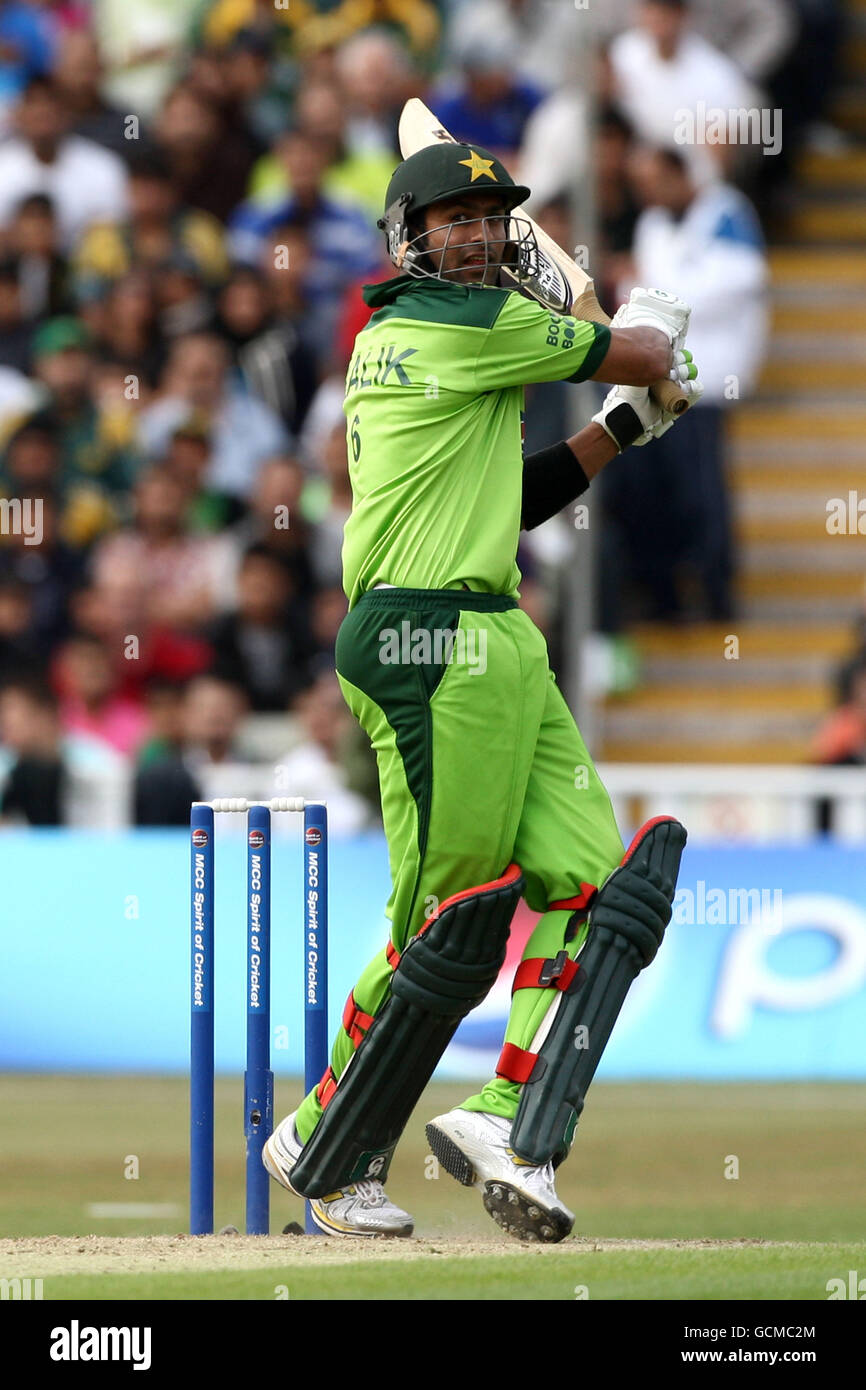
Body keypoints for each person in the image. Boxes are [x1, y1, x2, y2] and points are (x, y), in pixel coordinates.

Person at [262, 141, 698, 1239]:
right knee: (447, 919)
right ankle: (327, 1137)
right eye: (453, 219)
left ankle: (504, 1109)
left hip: (488, 624)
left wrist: (619, 429)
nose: (480, 234)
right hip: (425, 635)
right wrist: (650, 322)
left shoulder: (441, 344)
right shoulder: (466, 326)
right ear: (408, 238)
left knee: (592, 886)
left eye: (492, 218)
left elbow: (503, 500)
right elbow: (635, 347)